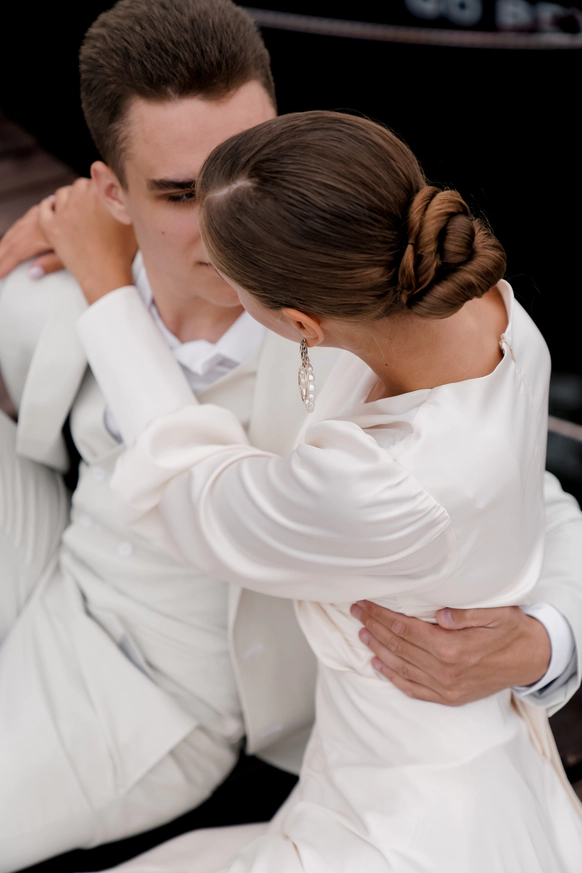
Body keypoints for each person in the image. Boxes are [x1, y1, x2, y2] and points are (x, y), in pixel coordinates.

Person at [0, 0, 581, 869]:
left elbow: (527, 504)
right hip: (57, 573)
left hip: (156, 694)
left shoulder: (372, 339)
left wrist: (545, 641)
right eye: (180, 192)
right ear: (110, 193)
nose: (226, 223)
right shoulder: (41, 292)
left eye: (244, 166)